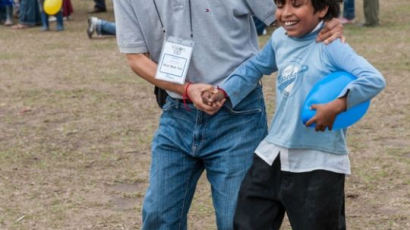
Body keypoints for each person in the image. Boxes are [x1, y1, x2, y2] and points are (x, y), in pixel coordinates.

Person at [113, 0, 344, 229]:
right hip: (177, 113)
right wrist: (186, 89)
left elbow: (287, 14)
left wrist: (327, 21)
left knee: (237, 222)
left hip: (239, 116)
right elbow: (135, 57)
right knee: (158, 218)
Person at [202, 0, 386, 229]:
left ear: (321, 9)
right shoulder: (280, 39)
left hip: (317, 163)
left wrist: (338, 105)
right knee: (248, 222)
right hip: (273, 154)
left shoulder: (330, 44)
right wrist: (225, 90)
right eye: (280, 5)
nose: (286, 13)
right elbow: (256, 66)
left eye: (297, 5)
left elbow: (373, 79)